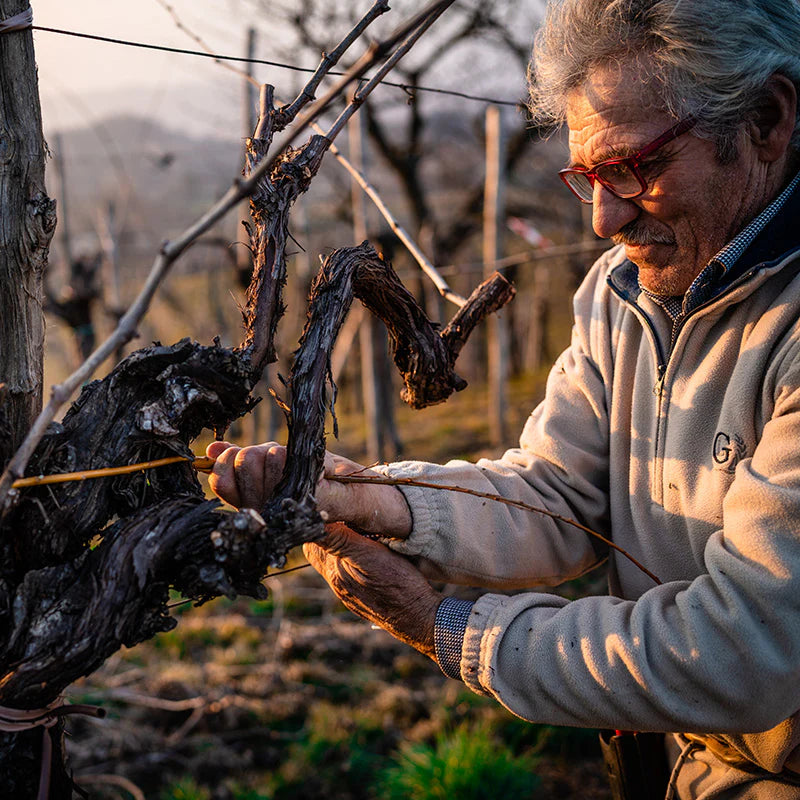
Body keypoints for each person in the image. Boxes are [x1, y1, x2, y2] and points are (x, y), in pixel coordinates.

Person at [207, 0, 800, 796]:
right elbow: (558, 493)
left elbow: (747, 648)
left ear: (766, 119)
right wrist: (377, 501)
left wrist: (446, 629)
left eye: (632, 167)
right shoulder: (620, 293)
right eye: (585, 176)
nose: (602, 218)